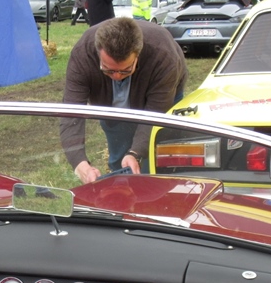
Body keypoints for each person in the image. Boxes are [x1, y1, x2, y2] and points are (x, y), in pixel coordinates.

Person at [60, 18, 187, 184]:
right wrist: (80, 164)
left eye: (125, 70)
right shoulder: (83, 54)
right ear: (98, 54)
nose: (117, 76)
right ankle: (123, 186)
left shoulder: (163, 55)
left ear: (137, 55)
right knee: (120, 154)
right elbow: (71, 114)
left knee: (162, 153)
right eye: (109, 70)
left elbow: (156, 113)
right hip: (109, 100)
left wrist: (136, 153)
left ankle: (163, 188)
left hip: (162, 95)